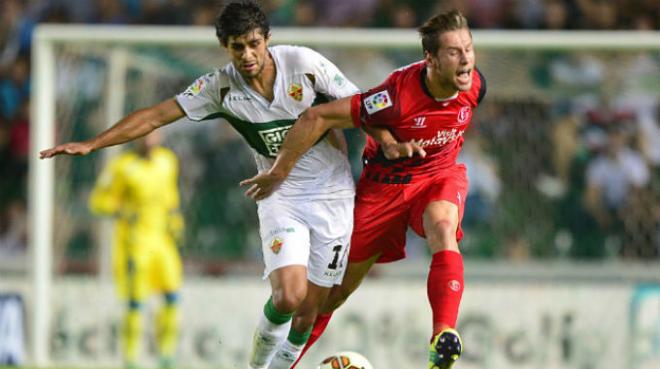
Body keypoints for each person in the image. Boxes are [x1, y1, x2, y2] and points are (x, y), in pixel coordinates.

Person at [40, 2, 407, 368]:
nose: (247, 55)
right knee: (287, 298)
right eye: (237, 47)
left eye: (253, 43)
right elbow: (155, 115)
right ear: (225, 47)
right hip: (279, 195)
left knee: (309, 312)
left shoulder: (304, 65)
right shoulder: (218, 87)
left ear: (267, 39)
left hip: (333, 194)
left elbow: (361, 106)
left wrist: (388, 141)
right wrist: (93, 143)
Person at [241, 9, 486, 369]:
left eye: (468, 48)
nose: (465, 59)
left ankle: (443, 337)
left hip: (438, 175)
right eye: (454, 52)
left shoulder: (475, 85)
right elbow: (317, 117)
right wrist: (281, 171)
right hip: (383, 190)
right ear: (430, 59)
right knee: (330, 296)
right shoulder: (395, 96)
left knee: (443, 227)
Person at [88, 131, 184, 369]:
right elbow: (98, 200)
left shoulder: (167, 161)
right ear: (137, 139)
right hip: (135, 244)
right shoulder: (122, 167)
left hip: (163, 242)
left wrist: (176, 221)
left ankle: (166, 356)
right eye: (145, 137)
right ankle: (130, 359)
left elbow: (171, 198)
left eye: (154, 136)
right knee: (135, 302)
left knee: (172, 296)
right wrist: (120, 211)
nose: (150, 141)